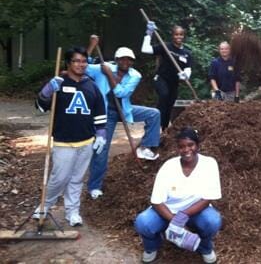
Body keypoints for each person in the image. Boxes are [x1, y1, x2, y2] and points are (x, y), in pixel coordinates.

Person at [33, 47, 107, 226]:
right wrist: (47, 91)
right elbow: (41, 106)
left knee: (77, 179)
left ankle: (72, 211)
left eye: (84, 61)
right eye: (77, 61)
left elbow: (99, 111)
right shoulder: (59, 83)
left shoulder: (91, 85)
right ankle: (44, 206)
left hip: (86, 141)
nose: (81, 64)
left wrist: (101, 134)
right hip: (63, 141)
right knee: (59, 178)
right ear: (68, 63)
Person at [85, 36, 161, 200]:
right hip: (106, 113)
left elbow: (121, 93)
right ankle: (94, 186)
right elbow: (83, 66)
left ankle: (146, 147)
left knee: (154, 114)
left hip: (125, 110)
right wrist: (92, 46)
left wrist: (109, 76)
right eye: (123, 59)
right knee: (101, 149)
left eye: (129, 60)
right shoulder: (103, 67)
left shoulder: (135, 75)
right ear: (117, 60)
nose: (126, 62)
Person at [134, 127, 222, 264]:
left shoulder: (209, 164)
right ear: (177, 149)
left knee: (213, 221)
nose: (186, 150)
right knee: (143, 222)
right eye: (181, 147)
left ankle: (205, 248)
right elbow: (157, 201)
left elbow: (208, 197)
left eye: (190, 145)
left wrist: (181, 218)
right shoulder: (169, 167)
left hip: (197, 211)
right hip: (168, 211)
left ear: (198, 145)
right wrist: (175, 221)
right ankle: (152, 247)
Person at [142, 23, 192, 131]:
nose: (178, 37)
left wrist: (185, 75)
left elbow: (188, 68)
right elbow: (145, 49)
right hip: (161, 78)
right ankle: (156, 123)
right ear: (172, 35)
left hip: (174, 83)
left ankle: (164, 129)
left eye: (181, 34)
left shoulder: (186, 53)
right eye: (176, 34)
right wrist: (148, 34)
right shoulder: (166, 46)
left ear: (183, 36)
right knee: (164, 95)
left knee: (170, 104)